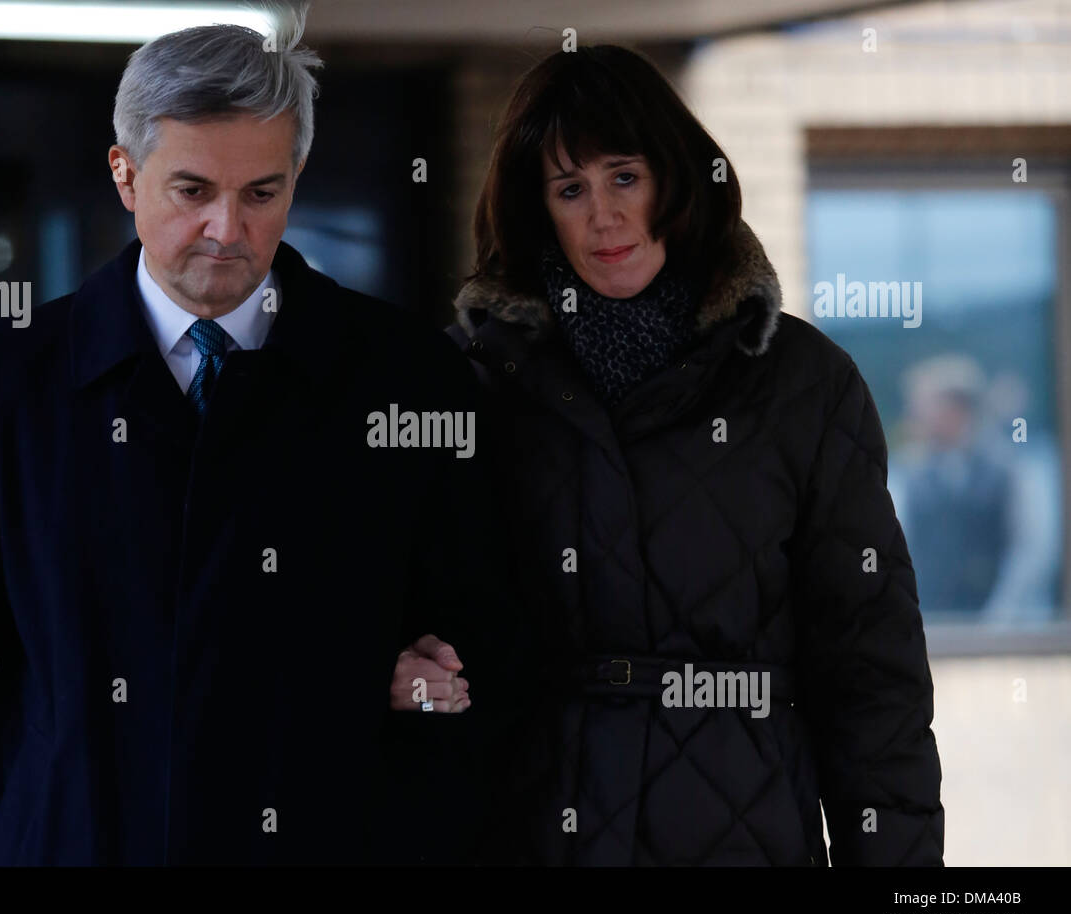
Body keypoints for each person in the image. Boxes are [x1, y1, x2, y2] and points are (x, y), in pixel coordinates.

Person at [0, 10, 500, 866]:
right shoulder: (3, 387)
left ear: (295, 177)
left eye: (262, 193)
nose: (228, 231)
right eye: (192, 191)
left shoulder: (406, 379)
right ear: (125, 175)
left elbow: (490, 642)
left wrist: (425, 677)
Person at [395, 44, 945, 866]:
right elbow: (370, 595)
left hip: (744, 836)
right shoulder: (466, 384)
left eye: (624, 176)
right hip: (528, 827)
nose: (602, 215)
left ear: (678, 180)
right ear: (536, 207)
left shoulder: (800, 383)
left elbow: (871, 671)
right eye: (569, 188)